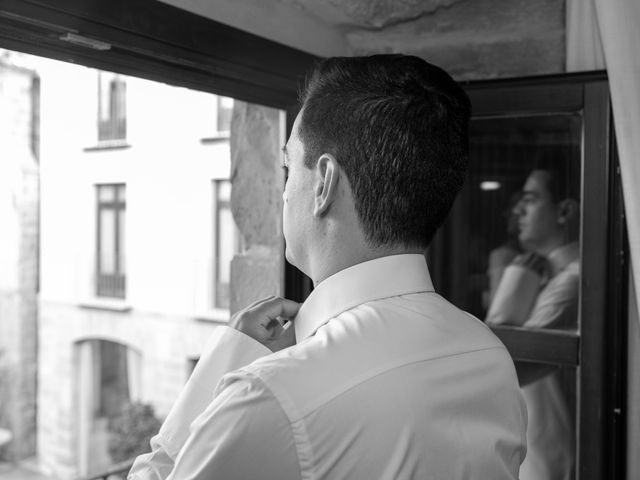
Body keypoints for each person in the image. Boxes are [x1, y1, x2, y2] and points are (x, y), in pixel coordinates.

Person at [129, 55, 527, 480]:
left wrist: (224, 364)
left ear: (323, 183)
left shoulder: (270, 397)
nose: (283, 194)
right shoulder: (488, 355)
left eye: (287, 167)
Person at [486, 164, 580, 480]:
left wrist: (513, 282)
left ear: (564, 211)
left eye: (531, 199)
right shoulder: (544, 275)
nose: (518, 209)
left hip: (551, 462)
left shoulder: (574, 282)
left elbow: (500, 368)